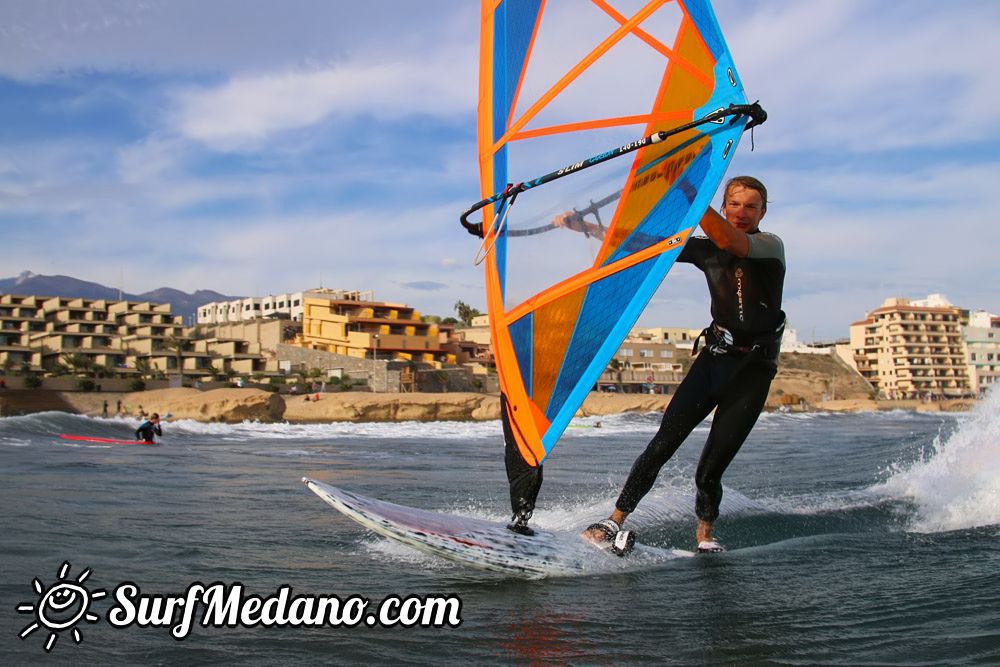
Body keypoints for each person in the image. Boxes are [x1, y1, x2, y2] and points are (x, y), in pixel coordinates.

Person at [583, 176, 785, 554]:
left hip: (753, 373)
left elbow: (731, 242)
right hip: (714, 361)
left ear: (763, 213)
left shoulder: (769, 247)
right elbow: (643, 246)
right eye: (735, 204)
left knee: (710, 469)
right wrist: (585, 227)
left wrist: (691, 190)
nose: (742, 213)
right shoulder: (707, 251)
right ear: (724, 206)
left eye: (751, 206)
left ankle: (705, 537)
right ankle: (614, 521)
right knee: (662, 443)